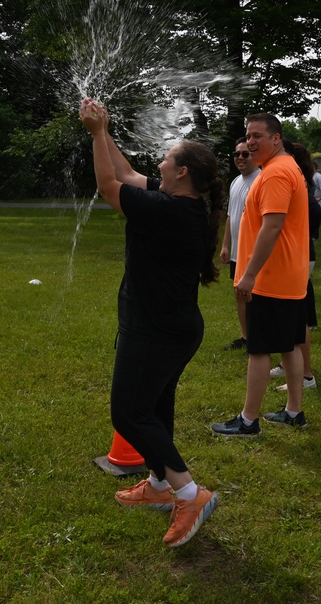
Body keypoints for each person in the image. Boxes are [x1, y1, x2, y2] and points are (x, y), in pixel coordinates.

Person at [79, 97, 221, 548]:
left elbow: (107, 186)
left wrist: (98, 135)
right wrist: (105, 129)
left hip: (157, 329)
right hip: (170, 326)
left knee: (130, 412)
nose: (159, 163)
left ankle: (187, 492)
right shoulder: (178, 203)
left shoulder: (168, 211)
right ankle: (160, 485)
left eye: (167, 158)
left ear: (181, 173)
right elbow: (123, 175)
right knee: (156, 409)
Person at [211, 113, 310, 437]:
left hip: (271, 278)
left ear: (276, 138)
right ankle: (294, 412)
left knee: (258, 349)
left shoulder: (276, 174)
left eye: (257, 136)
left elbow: (273, 226)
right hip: (289, 277)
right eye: (247, 136)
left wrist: (250, 274)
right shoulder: (284, 168)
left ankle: (248, 421)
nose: (250, 142)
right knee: (291, 344)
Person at [270, 141, 320, 391]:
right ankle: (287, 365)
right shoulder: (292, 178)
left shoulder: (295, 180)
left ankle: (306, 377)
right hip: (294, 255)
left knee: (295, 318)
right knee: (288, 316)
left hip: (298, 257)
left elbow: (314, 213)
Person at [220, 137, 260, 351]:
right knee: (239, 295)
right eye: (237, 154)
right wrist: (226, 245)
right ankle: (245, 338)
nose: (240, 158)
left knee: (254, 298)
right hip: (237, 253)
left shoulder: (260, 179)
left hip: (252, 254)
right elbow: (230, 216)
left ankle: (258, 340)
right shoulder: (236, 181)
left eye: (245, 154)